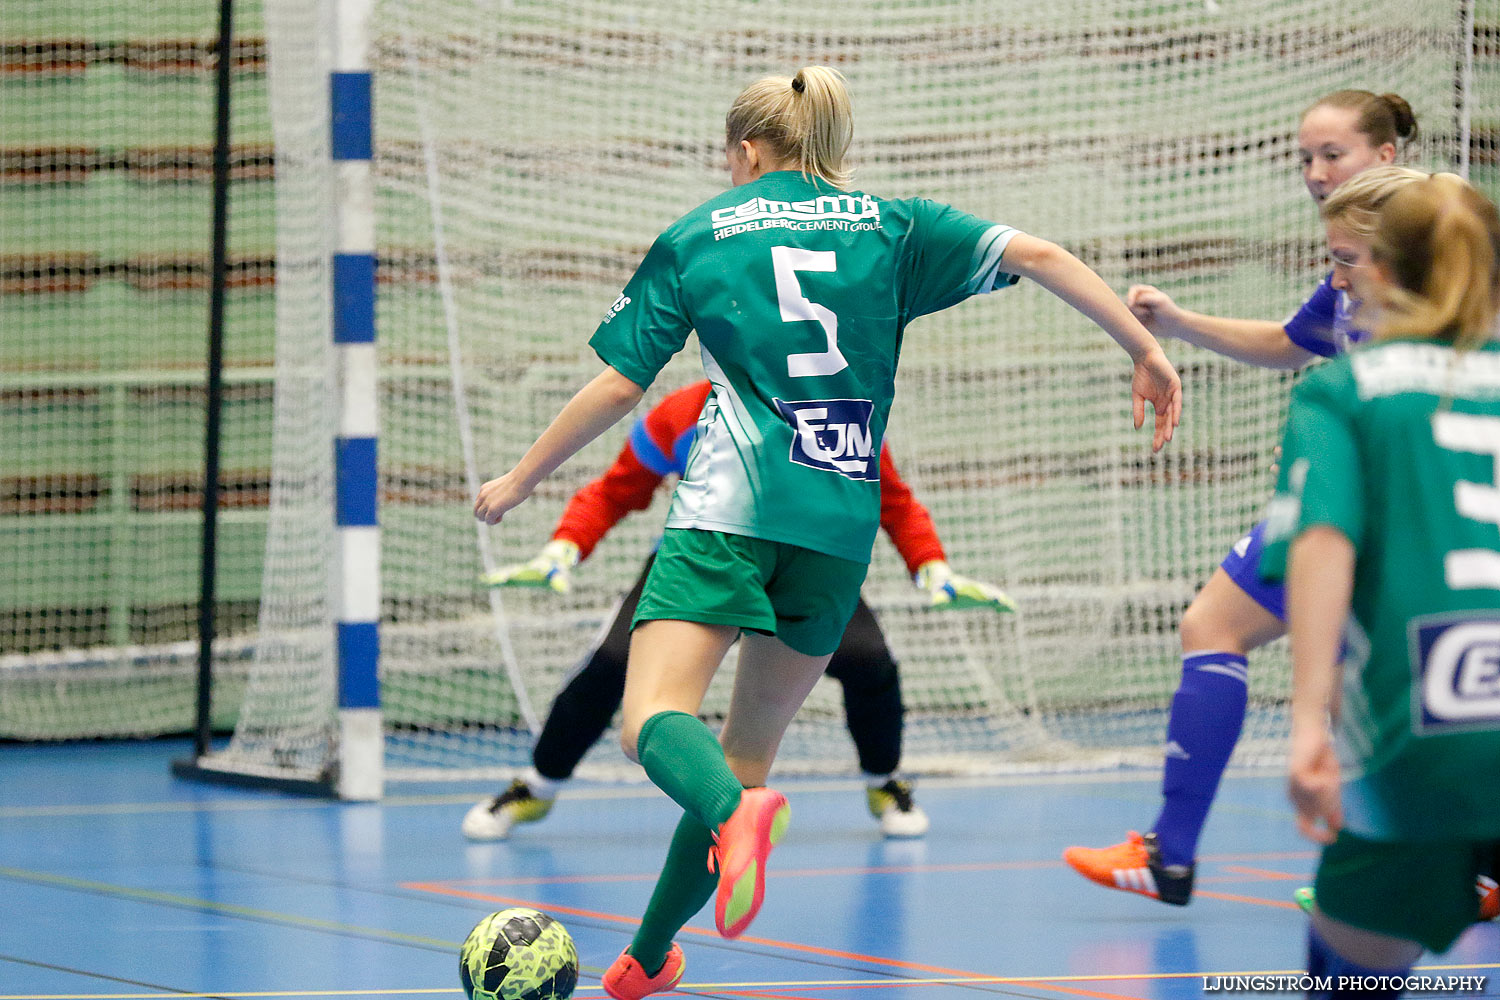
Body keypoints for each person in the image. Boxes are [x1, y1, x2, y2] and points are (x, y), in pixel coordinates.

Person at [473, 65, 1180, 1000]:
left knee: (652, 720)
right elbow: (1041, 255)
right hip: (841, 527)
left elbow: (620, 385)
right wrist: (1144, 348)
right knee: (745, 749)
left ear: (746, 150)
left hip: (730, 509)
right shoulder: (895, 226)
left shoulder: (698, 236)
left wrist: (522, 478)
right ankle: (647, 958)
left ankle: (737, 816)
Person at [1063, 90, 1421, 905]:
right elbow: (1299, 342)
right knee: (1216, 627)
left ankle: (1416, 859)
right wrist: (1180, 325)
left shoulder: (1440, 262)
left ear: (1388, 157)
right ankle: (1175, 856)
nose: (1314, 172)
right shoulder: (1354, 272)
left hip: (1406, 506)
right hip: (1349, 499)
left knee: (1377, 678)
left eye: (1332, 154)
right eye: (1305, 157)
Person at [462, 379, 1015, 843]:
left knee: (870, 660)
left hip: (804, 559)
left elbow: (891, 499)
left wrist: (932, 565)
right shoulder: (679, 414)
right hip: (700, 560)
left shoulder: (834, 409)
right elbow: (613, 493)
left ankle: (884, 779)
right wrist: (564, 548)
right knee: (612, 663)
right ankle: (537, 785)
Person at [1259, 172, 1500, 999]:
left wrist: (1306, 726)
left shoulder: (1345, 389)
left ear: (1381, 273)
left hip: (1427, 724)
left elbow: (1322, 542)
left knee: (1350, 977)